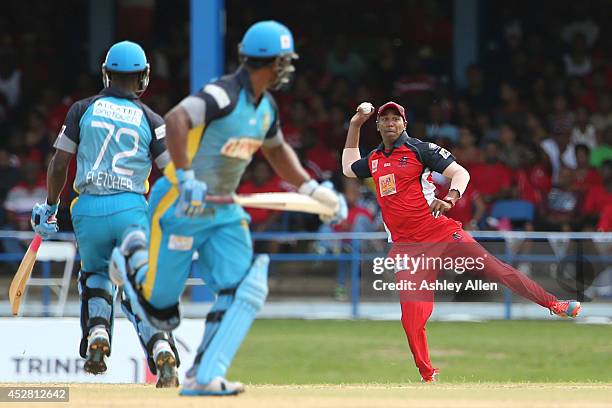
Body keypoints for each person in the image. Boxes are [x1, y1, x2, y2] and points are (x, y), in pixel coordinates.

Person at [109, 21, 346, 396]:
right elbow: (176, 119)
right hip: (180, 202)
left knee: (245, 288)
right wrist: (185, 178)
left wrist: (312, 187)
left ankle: (204, 376)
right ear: (269, 62)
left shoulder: (265, 107)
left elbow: (277, 149)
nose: (288, 68)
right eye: (284, 61)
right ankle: (131, 256)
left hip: (223, 210)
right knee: (160, 310)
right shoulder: (223, 94)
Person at [342, 101, 580, 382]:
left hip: (440, 233)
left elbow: (460, 173)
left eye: (396, 119)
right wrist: (356, 124)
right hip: (407, 248)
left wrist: (451, 197)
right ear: (379, 125)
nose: (391, 123)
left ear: (404, 124)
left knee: (497, 269)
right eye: (386, 119)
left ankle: (555, 305)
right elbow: (348, 169)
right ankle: (428, 375)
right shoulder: (375, 159)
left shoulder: (422, 150)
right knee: (412, 318)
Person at [30, 41, 179, 387]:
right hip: (131, 210)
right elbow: (173, 175)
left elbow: (60, 164)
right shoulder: (151, 119)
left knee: (95, 276)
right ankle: (160, 346)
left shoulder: (81, 110)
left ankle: (99, 331)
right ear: (143, 77)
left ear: (106, 73)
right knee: (140, 284)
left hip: (89, 212)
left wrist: (51, 207)